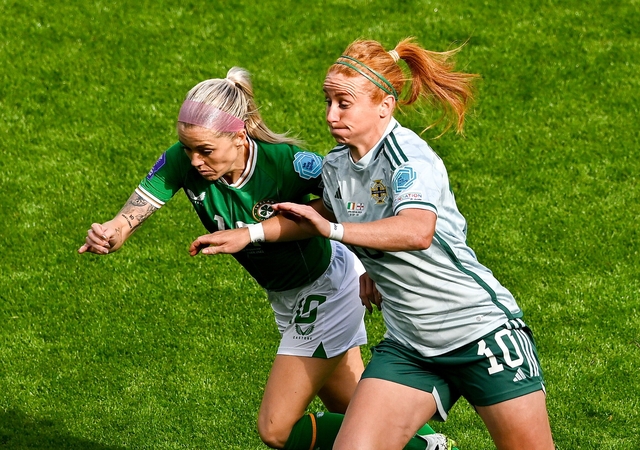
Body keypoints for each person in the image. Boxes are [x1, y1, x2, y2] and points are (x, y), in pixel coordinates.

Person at [190, 40, 555, 449]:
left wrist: (336, 234)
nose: (331, 114)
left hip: (479, 333)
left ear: (385, 105)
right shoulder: (336, 165)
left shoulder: (408, 159)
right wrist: (250, 233)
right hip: (410, 345)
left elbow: (416, 231)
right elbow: (323, 215)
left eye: (344, 103)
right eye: (328, 101)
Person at [79, 67, 450, 450]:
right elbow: (132, 213)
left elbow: (357, 202)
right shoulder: (185, 160)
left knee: (277, 428)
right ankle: (431, 445)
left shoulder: (288, 163)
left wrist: (376, 266)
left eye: (205, 150)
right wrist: (113, 230)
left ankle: (429, 449)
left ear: (239, 137)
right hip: (287, 297)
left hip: (325, 290)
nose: (193, 161)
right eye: (187, 148)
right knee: (352, 404)